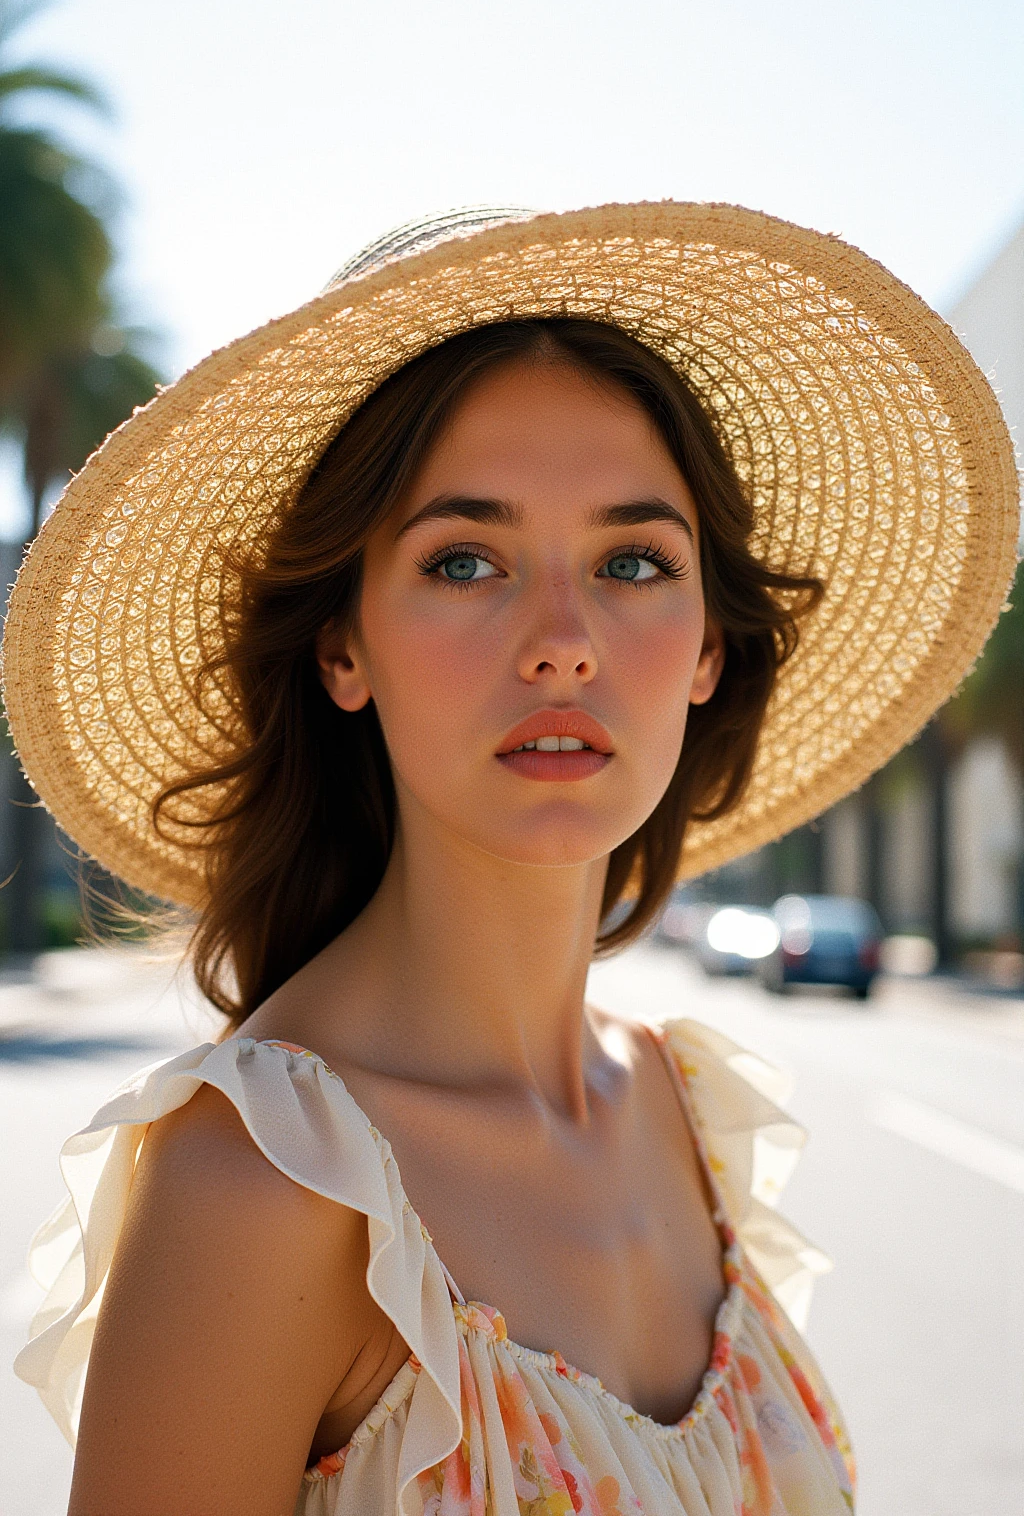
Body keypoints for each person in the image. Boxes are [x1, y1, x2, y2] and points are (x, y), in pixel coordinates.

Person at [9, 204, 1018, 1516]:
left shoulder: (687, 1112)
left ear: (710, 648)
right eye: (467, 558)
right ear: (342, 647)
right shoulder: (263, 1180)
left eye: (636, 560)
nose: (563, 640)